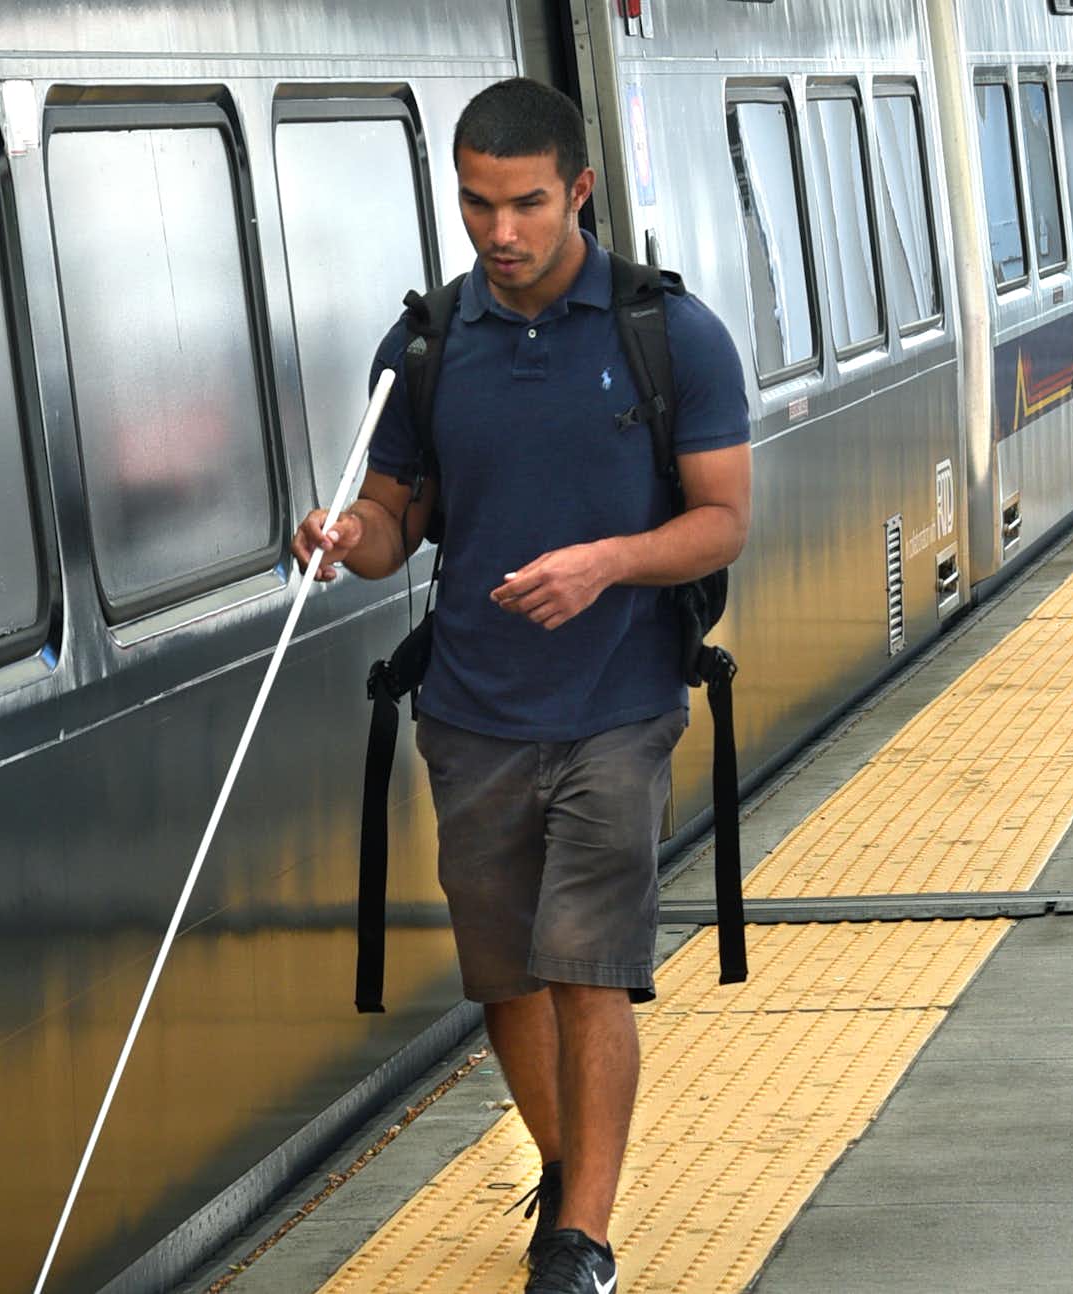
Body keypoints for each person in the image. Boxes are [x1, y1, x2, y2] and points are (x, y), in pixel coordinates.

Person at [292, 77, 751, 1292]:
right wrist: (346, 539)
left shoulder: (671, 336)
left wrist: (606, 565)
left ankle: (582, 1242)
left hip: (617, 704)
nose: (501, 231)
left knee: (584, 963)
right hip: (472, 714)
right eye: (477, 204)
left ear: (578, 191)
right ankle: (568, 1179)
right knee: (504, 973)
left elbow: (720, 523)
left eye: (528, 204)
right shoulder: (429, 345)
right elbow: (397, 519)